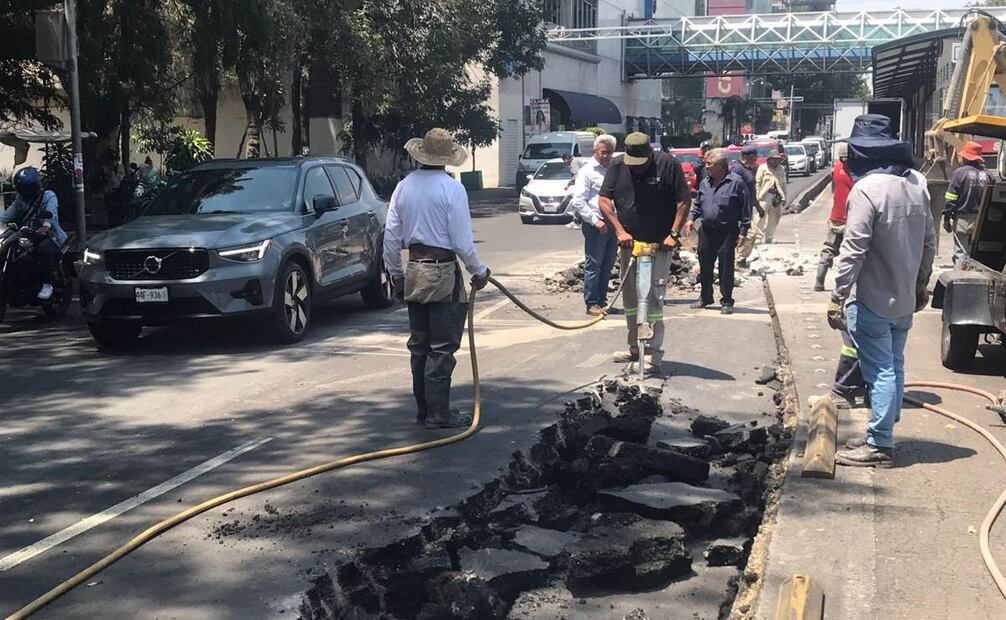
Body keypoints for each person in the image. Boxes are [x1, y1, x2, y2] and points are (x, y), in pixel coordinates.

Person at [828, 114, 936, 468]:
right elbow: (930, 243)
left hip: (872, 299)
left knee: (880, 371)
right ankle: (886, 427)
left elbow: (853, 249)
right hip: (904, 298)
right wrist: (921, 285)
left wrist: (837, 295)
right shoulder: (917, 186)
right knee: (896, 364)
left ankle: (880, 444)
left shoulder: (866, 190)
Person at [384, 128, 491, 429]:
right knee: (442, 347)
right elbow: (461, 242)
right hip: (442, 271)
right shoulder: (451, 189)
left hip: (415, 269)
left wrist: (395, 275)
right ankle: (438, 413)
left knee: (419, 345)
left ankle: (424, 410)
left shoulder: (404, 186)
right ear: (447, 159)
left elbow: (391, 238)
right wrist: (479, 271)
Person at [599, 132, 690, 376]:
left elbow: (683, 201)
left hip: (660, 244)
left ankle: (652, 353)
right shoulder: (618, 166)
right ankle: (634, 348)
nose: (637, 170)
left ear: (650, 154)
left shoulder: (667, 164)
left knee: (653, 299)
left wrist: (674, 234)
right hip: (630, 244)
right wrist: (619, 231)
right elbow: (604, 200)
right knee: (630, 299)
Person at [685, 148, 752, 314]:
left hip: (727, 231)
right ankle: (705, 296)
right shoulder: (704, 183)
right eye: (706, 164)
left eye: (710, 164)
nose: (707, 167)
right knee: (705, 264)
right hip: (707, 230)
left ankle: (727, 300)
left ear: (722, 166)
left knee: (726, 266)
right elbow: (698, 204)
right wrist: (691, 218)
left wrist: (743, 231)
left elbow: (746, 209)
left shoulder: (736, 182)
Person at [0, 167, 68, 301]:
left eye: (28, 187)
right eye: (23, 187)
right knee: (9, 248)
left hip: (50, 235)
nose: (26, 191)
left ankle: (47, 283)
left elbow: (51, 213)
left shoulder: (48, 196)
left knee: (43, 251)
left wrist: (45, 226)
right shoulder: (21, 199)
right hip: (26, 234)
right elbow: (7, 215)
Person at [571, 134, 618, 316]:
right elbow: (579, 201)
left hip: (612, 223)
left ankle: (602, 301)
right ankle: (591, 302)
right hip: (595, 224)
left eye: (609, 153)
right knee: (594, 264)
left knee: (608, 264)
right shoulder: (587, 172)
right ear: (595, 152)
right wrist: (595, 221)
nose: (606, 156)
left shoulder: (613, 170)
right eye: (603, 152)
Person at [943, 140, 995, 266]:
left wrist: (947, 218)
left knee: (961, 253)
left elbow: (951, 198)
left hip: (963, 220)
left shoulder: (959, 173)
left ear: (966, 157)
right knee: (976, 255)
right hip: (982, 222)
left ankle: (961, 282)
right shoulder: (989, 175)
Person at [813, 142, 854, 291]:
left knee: (829, 249)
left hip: (836, 217)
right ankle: (846, 285)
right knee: (854, 254)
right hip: (852, 219)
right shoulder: (856, 173)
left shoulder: (836, 169)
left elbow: (833, 190)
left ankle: (819, 281)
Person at [733, 145, 762, 268]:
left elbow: (751, 190)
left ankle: (738, 258)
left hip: (748, 209)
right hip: (740, 210)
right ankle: (738, 259)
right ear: (750, 156)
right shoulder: (737, 169)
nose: (756, 159)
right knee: (750, 234)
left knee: (747, 234)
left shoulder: (748, 169)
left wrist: (757, 206)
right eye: (755, 156)